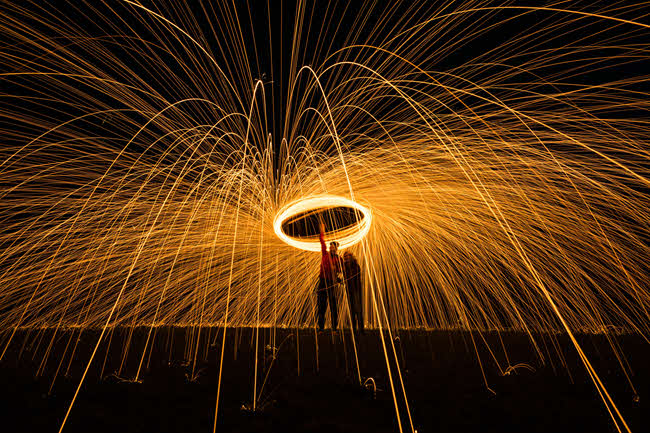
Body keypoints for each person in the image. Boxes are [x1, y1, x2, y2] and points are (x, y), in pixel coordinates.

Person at [316, 221, 341, 331]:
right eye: (330, 246)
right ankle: (321, 328)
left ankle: (334, 328)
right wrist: (322, 230)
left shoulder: (339, 259)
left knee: (333, 306)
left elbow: (341, 272)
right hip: (322, 282)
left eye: (333, 246)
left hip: (331, 283)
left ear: (336, 248)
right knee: (321, 305)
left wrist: (337, 273)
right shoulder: (325, 254)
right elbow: (322, 241)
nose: (331, 247)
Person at [343, 251, 364, 333]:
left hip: (356, 289)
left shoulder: (355, 265)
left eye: (348, 256)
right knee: (351, 310)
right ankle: (354, 328)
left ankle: (361, 329)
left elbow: (356, 276)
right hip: (349, 290)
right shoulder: (344, 266)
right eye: (345, 257)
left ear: (351, 257)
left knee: (358, 309)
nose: (346, 258)